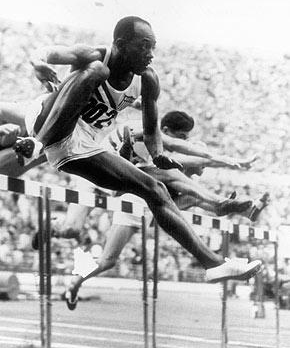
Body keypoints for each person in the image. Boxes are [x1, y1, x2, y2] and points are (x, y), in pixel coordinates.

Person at [13, 15, 261, 287]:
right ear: (120, 44)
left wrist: (157, 155)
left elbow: (153, 128)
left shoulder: (148, 80)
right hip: (48, 121)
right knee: (97, 71)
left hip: (86, 143)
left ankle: (213, 265)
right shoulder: (96, 55)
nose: (150, 54)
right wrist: (38, 64)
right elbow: (45, 53)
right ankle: (36, 144)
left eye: (153, 46)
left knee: (154, 189)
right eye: (144, 46)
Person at [63, 111, 266, 309]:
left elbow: (194, 158)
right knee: (70, 230)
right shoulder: (146, 132)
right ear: (166, 130)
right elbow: (196, 156)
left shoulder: (160, 156)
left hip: (131, 193)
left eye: (187, 139)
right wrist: (230, 161)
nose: (183, 143)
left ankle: (75, 282)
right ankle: (220, 205)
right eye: (182, 137)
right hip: (95, 177)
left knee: (107, 261)